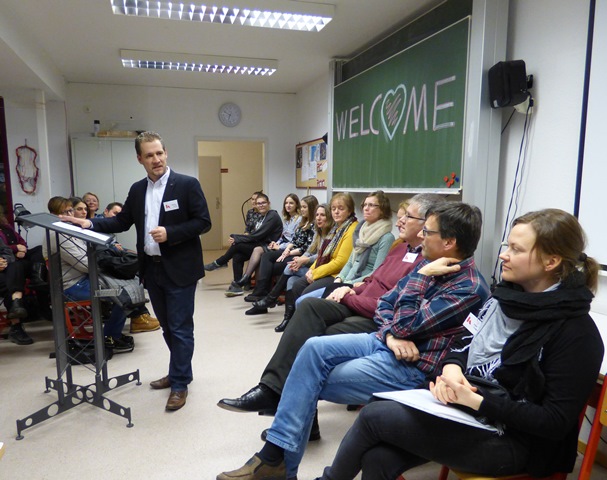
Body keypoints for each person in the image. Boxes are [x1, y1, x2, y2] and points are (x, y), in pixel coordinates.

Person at [315, 208, 604, 480]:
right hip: (470, 413)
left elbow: (553, 422)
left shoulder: (577, 333)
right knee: (379, 457)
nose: (503, 255)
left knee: (374, 415)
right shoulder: (502, 300)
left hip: (517, 441)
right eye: (508, 246)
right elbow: (462, 342)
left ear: (551, 262)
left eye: (516, 250)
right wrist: (452, 369)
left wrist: (475, 400)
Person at [217, 202, 491, 480]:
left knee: (305, 379)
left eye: (428, 232)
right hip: (387, 342)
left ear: (449, 242)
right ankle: (276, 460)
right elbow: (385, 303)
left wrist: (418, 281)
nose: (421, 235)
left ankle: (274, 459)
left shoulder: (467, 288)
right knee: (311, 349)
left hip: (412, 368)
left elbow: (406, 323)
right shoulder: (430, 264)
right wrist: (391, 335)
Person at [218, 194, 445, 418]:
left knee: (317, 337)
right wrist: (350, 288)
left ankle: (291, 409)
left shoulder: (427, 262)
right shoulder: (400, 248)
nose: (400, 220)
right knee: (309, 307)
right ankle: (270, 388)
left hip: (375, 317)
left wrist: (347, 294)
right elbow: (371, 280)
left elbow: (390, 305)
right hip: (357, 299)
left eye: (408, 216)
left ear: (428, 224)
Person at [62, 131, 211, 411]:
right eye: (149, 155)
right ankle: (179, 371)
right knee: (167, 327)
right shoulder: (138, 189)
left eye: (159, 153)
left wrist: (171, 233)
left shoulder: (187, 184)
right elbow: (121, 222)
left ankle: (180, 383)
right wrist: (89, 224)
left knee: (180, 328)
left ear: (166, 153)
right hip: (152, 270)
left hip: (181, 270)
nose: (156, 159)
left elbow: (203, 222)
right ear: (139, 158)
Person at [48, 196, 135, 353]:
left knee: (129, 285)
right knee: (123, 295)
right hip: (72, 285)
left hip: (85, 278)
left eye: (70, 211)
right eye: (66, 212)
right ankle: (109, 336)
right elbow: (86, 264)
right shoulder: (59, 235)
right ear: (54, 215)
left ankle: (111, 334)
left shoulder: (69, 230)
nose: (70, 214)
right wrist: (111, 266)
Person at [262, 192, 358, 328]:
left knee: (297, 281)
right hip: (321, 268)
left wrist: (313, 271)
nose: (336, 212)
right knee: (293, 281)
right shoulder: (336, 229)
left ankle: (278, 305)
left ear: (349, 210)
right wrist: (310, 268)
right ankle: (289, 319)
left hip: (336, 274)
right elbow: (318, 253)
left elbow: (340, 262)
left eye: (341, 208)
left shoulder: (349, 229)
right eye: (334, 208)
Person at [243, 202, 334, 330]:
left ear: (329, 217)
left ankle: (270, 298)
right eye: (317, 215)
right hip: (306, 261)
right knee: (289, 277)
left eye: (322, 215)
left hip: (321, 270)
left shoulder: (331, 235)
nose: (318, 218)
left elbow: (321, 256)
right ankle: (287, 318)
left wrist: (302, 259)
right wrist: (301, 258)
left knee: (287, 267)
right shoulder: (317, 231)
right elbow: (309, 249)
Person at [294, 191, 394, 304]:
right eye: (365, 205)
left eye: (371, 205)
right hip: (344, 279)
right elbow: (350, 263)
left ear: (382, 209)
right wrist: (339, 278)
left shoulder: (386, 238)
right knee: (299, 296)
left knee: (303, 302)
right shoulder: (360, 231)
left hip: (357, 285)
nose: (366, 208)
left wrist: (346, 282)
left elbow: (377, 272)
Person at [242, 195, 318, 304]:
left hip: (300, 255)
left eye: (304, 207)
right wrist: (286, 249)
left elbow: (306, 248)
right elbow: (294, 240)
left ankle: (265, 295)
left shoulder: (313, 225)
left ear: (312, 208)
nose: (302, 209)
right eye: (301, 207)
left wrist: (288, 252)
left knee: (270, 266)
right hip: (290, 249)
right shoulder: (303, 222)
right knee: (265, 256)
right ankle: (262, 293)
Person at [204, 193, 283, 296]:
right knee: (237, 255)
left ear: (269, 203)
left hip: (267, 247)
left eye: (263, 203)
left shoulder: (272, 216)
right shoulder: (262, 216)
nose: (261, 205)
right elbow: (253, 234)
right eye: (258, 203)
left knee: (237, 245)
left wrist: (236, 237)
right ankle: (238, 285)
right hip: (259, 244)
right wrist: (238, 237)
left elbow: (257, 235)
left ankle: (221, 262)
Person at [227, 193, 301, 297]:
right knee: (239, 253)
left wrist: (279, 246)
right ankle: (249, 283)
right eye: (286, 203)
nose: (288, 205)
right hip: (277, 245)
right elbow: (283, 236)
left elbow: (295, 241)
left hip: (289, 249)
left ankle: (246, 280)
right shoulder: (288, 219)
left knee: (255, 250)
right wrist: (276, 243)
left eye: (291, 203)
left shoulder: (297, 220)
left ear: (297, 205)